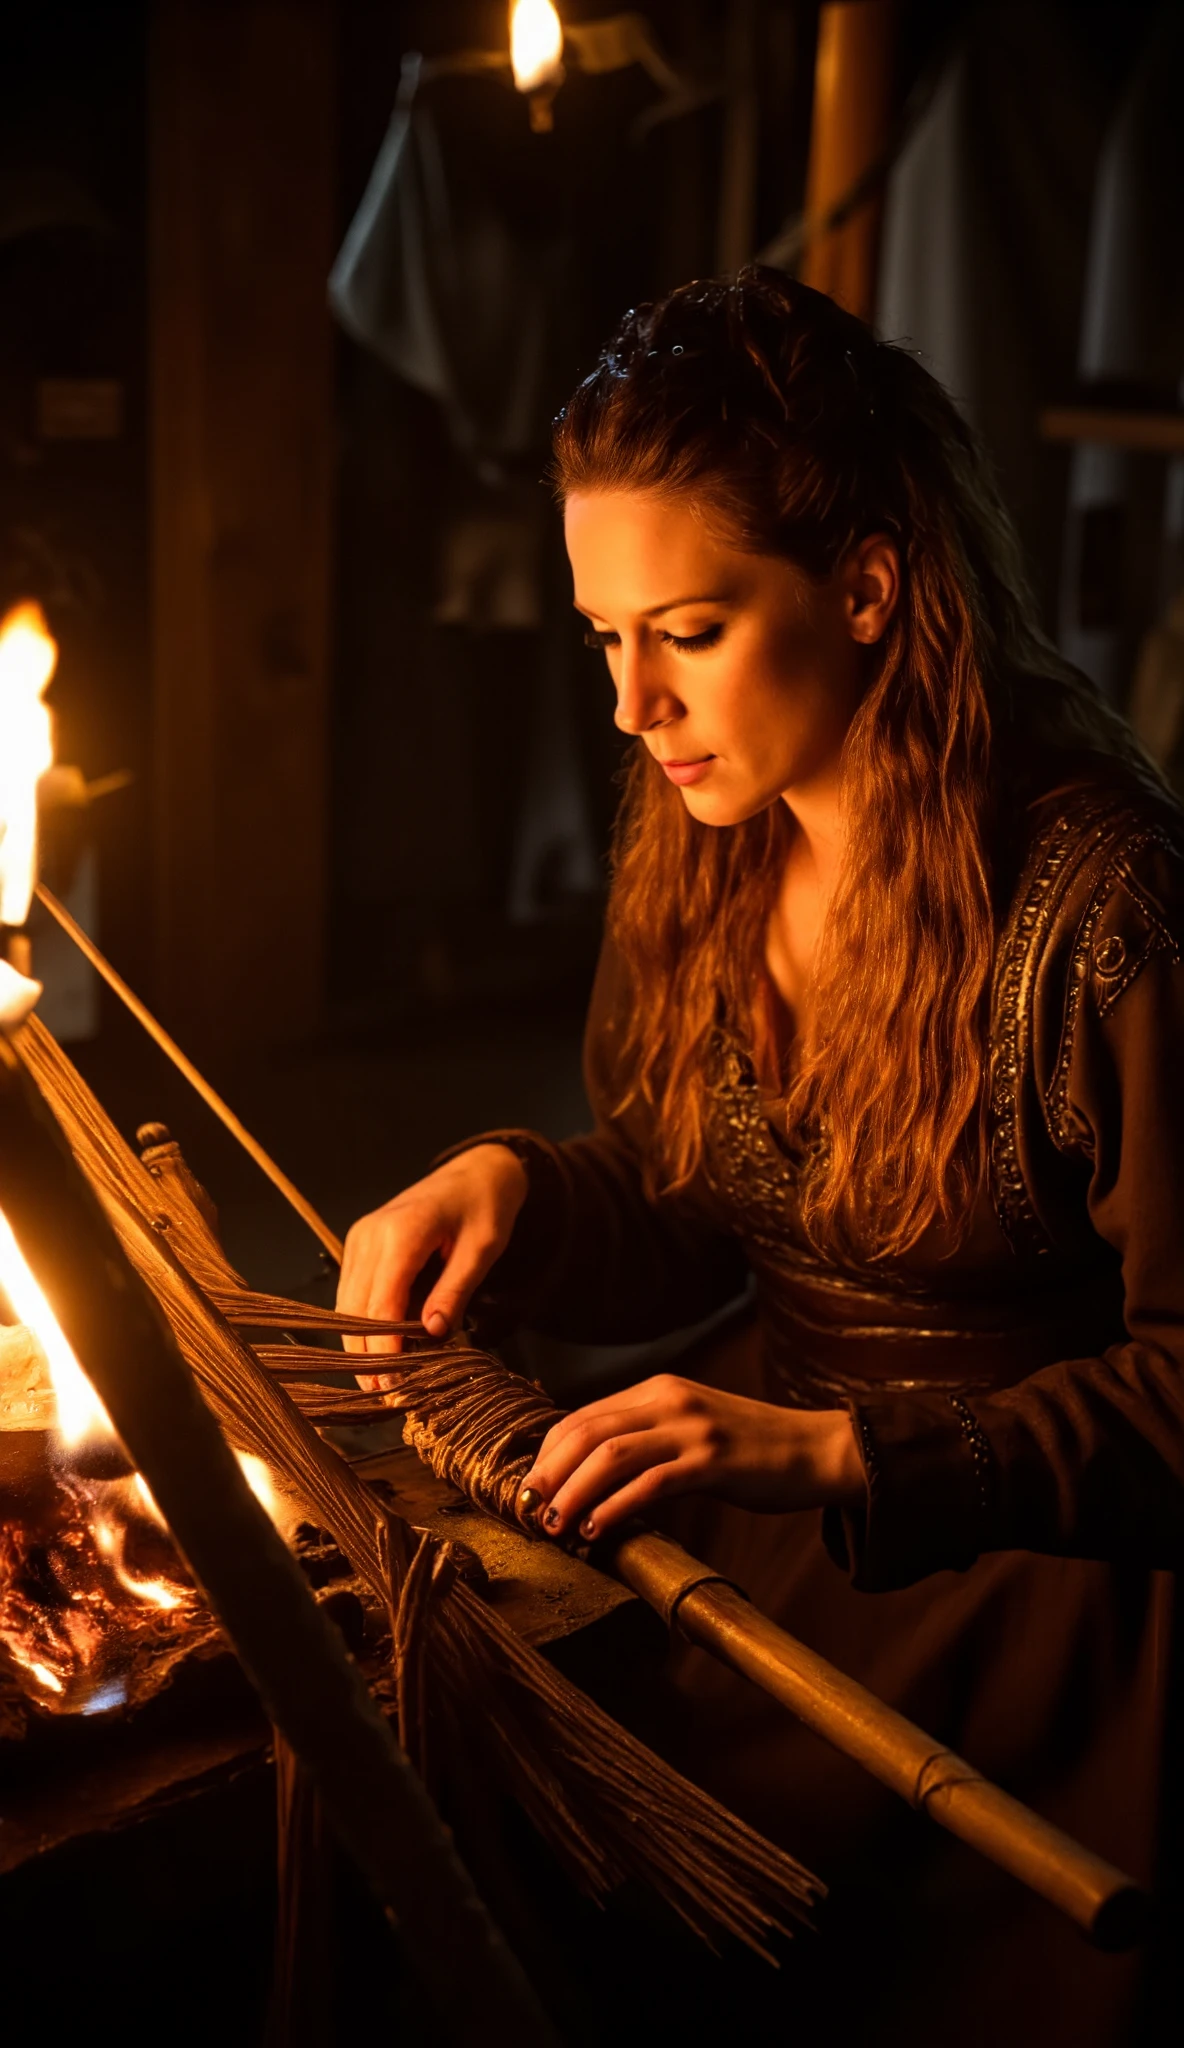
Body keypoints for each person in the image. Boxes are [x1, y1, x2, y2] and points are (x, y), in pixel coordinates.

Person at [338, 269, 1183, 2045]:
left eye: (690, 629)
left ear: (867, 586)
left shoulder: (1108, 912)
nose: (636, 706)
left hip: (1052, 1629)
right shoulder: (711, 841)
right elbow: (698, 1195)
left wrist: (841, 1450)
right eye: (603, 639)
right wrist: (516, 1186)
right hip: (773, 1525)